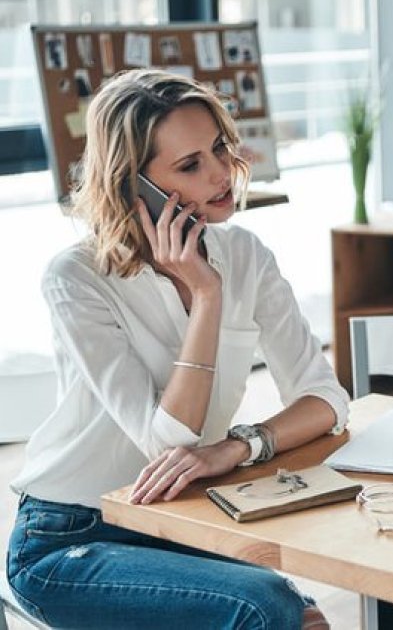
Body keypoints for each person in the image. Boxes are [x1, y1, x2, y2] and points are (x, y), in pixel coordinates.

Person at [7, 69, 348, 629]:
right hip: (70, 536)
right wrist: (207, 296)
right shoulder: (76, 279)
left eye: (218, 148)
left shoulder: (248, 254)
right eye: (190, 165)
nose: (221, 174)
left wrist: (239, 447)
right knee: (267, 610)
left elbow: (327, 398)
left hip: (183, 517)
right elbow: (163, 441)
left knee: (302, 618)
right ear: (133, 185)